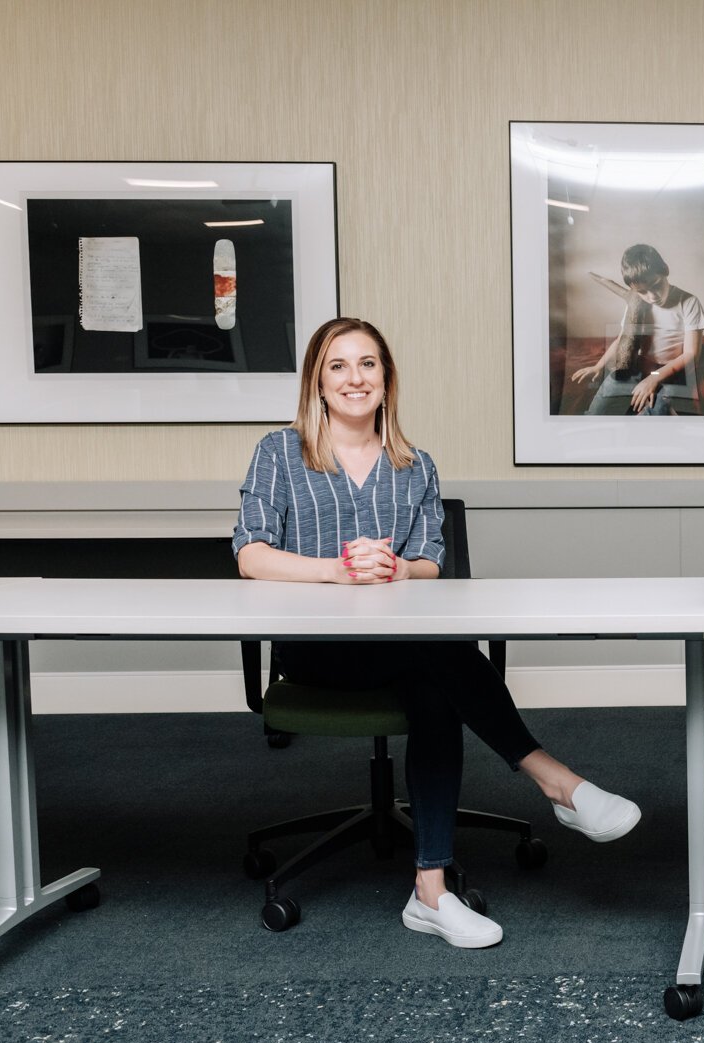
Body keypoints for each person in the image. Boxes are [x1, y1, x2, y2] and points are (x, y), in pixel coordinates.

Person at [233, 317, 641, 949]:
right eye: (338, 365)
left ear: (386, 380)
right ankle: (555, 781)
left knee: (433, 685)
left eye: (368, 364)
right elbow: (251, 555)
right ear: (317, 381)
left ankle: (431, 892)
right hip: (318, 651)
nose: (354, 378)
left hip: (403, 650)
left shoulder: (413, 464)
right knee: (443, 660)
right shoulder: (279, 453)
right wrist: (337, 572)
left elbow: (429, 562)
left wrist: (399, 568)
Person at [570, 243, 704, 415]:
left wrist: (653, 378)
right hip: (636, 367)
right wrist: (598, 366)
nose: (652, 297)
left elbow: (691, 355)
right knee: (597, 412)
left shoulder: (688, 302)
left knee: (657, 413)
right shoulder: (637, 303)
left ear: (665, 270)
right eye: (642, 292)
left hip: (670, 372)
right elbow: (623, 339)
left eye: (656, 285)